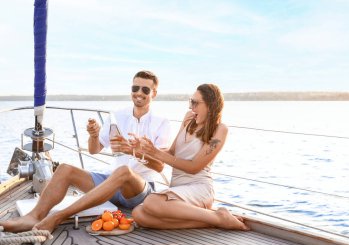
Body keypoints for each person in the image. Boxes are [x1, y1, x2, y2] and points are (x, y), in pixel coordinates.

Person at [0, 70, 171, 233]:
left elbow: (160, 166)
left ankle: (57, 217)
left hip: (140, 189)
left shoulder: (161, 122)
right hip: (112, 186)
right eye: (135, 88)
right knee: (65, 168)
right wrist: (94, 135)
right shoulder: (118, 116)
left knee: (124, 172)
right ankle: (33, 217)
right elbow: (94, 149)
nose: (139, 93)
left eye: (145, 89)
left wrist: (133, 151)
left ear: (154, 93)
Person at [132, 83, 249, 231]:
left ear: (210, 105)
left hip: (199, 189)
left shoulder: (220, 129)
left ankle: (216, 218)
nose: (191, 107)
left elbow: (194, 167)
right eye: (190, 102)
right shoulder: (189, 119)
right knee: (138, 213)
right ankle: (215, 220)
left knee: (150, 202)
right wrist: (145, 149)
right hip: (178, 191)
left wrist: (156, 153)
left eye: (195, 103)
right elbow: (172, 151)